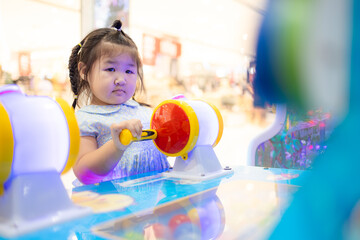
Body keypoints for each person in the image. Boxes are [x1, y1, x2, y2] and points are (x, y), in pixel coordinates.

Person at [68, 19, 170, 185]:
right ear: (84, 71)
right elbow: (83, 173)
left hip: (157, 204)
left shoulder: (144, 112)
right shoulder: (85, 120)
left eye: (129, 71)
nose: (121, 79)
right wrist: (117, 146)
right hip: (115, 207)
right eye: (110, 69)